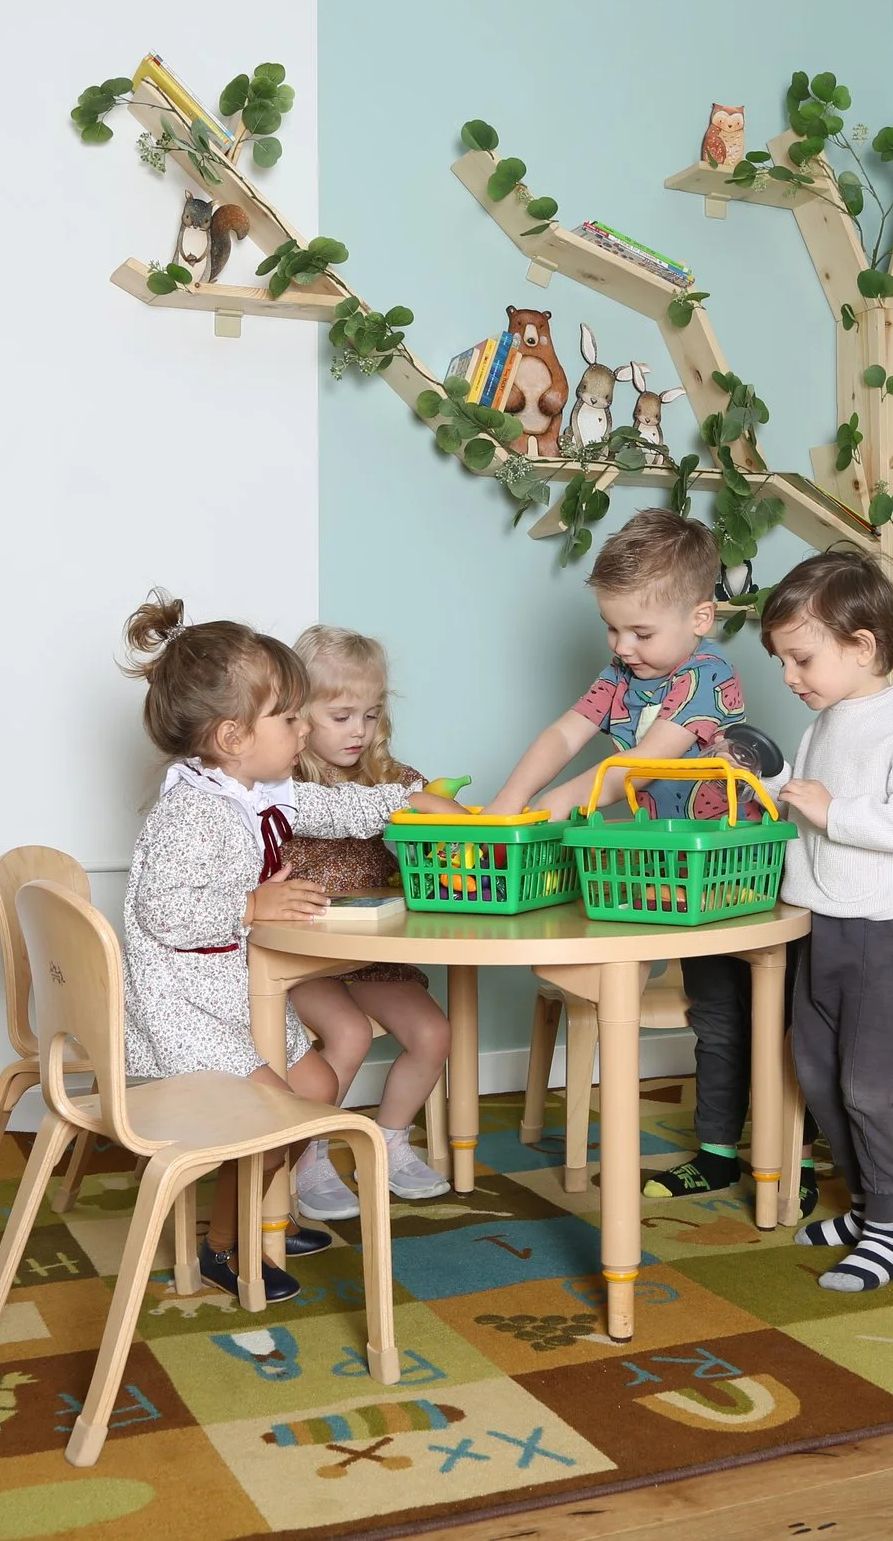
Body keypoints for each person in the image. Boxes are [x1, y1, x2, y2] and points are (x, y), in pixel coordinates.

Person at [115, 595, 458, 1301]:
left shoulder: (259, 791)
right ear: (234, 734)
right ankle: (224, 1244)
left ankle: (258, 1207)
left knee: (319, 1087)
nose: (301, 728)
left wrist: (408, 801)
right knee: (274, 1116)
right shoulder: (192, 808)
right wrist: (249, 903)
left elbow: (340, 808)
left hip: (225, 997)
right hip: (185, 1012)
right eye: (289, 716)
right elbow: (163, 911)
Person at [484, 508, 806, 1209]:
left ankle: (792, 1156)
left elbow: (629, 769)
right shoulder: (621, 675)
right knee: (714, 1016)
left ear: (700, 616)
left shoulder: (706, 678)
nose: (621, 645)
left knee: (771, 1019)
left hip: (732, 876)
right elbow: (565, 734)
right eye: (612, 627)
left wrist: (547, 809)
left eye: (639, 631)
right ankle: (719, 1153)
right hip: (673, 873)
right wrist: (507, 801)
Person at [759, 549, 893, 1290]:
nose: (790, 676)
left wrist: (830, 809)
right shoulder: (829, 721)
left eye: (801, 658)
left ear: (864, 645)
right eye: (783, 660)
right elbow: (811, 798)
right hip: (831, 925)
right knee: (814, 1069)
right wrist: (772, 778)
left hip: (890, 932)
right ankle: (871, 1198)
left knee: (870, 1088)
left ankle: (890, 1227)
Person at [281, 625, 454, 1220]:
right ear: (299, 715)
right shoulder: (283, 784)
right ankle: (309, 1150)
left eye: (372, 715)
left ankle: (390, 1140)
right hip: (301, 957)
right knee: (350, 1034)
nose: (359, 730)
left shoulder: (394, 779)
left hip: (371, 952)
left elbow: (447, 828)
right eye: (342, 715)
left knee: (434, 1036)